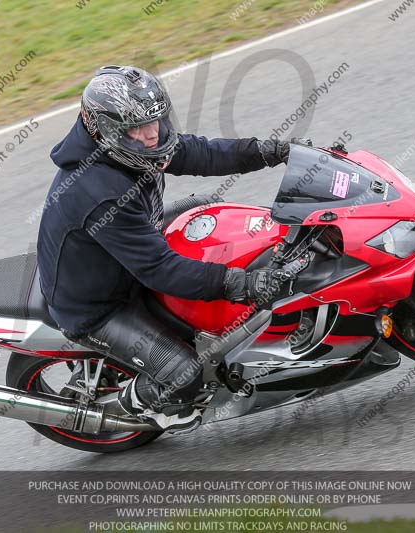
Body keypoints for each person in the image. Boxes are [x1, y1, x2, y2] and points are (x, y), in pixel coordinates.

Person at [37, 65, 290, 431]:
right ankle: (133, 405)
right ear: (106, 129)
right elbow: (160, 270)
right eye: (138, 127)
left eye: (155, 120)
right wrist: (242, 284)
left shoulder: (134, 144)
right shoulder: (98, 191)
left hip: (128, 252)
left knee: (204, 204)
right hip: (99, 307)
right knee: (186, 374)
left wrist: (269, 151)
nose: (153, 134)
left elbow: (203, 154)